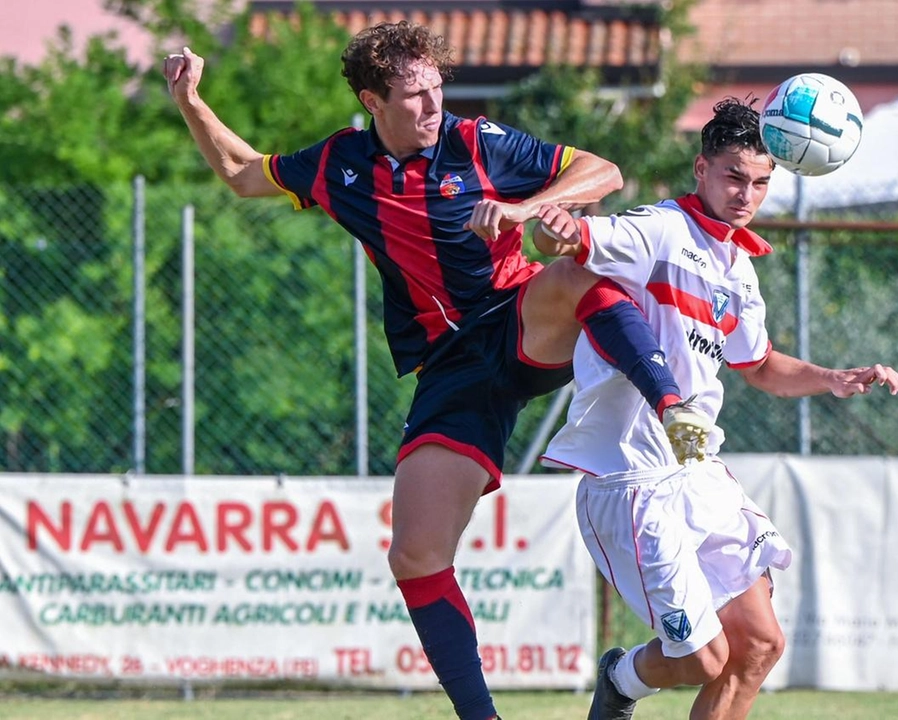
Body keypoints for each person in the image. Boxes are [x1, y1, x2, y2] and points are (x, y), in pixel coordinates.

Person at [163, 21, 712, 720]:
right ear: (371, 100)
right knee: (415, 556)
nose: (431, 107)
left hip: (519, 321)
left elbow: (603, 171)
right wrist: (190, 101)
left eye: (436, 89)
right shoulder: (340, 165)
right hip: (450, 369)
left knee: (577, 274)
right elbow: (244, 175)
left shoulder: (478, 143)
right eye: (412, 95)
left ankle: (673, 405)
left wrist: (525, 208)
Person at [533, 98, 898, 720]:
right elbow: (562, 240)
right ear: (701, 169)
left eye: (761, 181)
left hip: (698, 470)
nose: (746, 194)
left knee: (760, 645)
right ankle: (622, 680)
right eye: (734, 176)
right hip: (632, 478)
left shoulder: (738, 268)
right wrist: (554, 227)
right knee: (704, 659)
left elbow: (757, 365)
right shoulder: (658, 230)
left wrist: (834, 378)